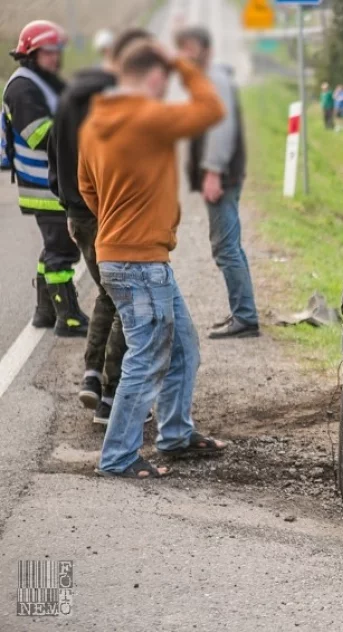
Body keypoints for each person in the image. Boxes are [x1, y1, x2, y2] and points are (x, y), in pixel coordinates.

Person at [77, 42, 226, 478]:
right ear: (155, 77)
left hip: (123, 256)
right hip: (141, 262)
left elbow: (88, 190)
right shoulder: (150, 116)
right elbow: (211, 108)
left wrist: (122, 216)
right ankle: (119, 456)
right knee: (146, 358)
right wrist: (182, 62)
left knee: (182, 347)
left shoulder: (93, 124)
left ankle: (176, 433)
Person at [48, 27, 152, 422]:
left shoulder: (67, 97)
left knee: (110, 294)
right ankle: (112, 395)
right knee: (130, 298)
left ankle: (92, 376)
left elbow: (52, 158)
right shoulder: (112, 101)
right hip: (106, 213)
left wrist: (68, 200)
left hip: (77, 215)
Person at [2, 20, 88, 337]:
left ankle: (44, 312)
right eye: (48, 52)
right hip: (43, 185)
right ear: (31, 53)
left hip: (54, 182)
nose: (55, 57)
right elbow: (39, 135)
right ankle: (69, 318)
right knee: (63, 251)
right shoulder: (22, 88)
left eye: (57, 51)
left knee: (54, 247)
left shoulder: (44, 80)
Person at [175, 26, 260, 339]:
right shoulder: (205, 79)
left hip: (221, 176)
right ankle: (243, 312)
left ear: (206, 49)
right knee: (229, 245)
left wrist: (212, 171)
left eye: (191, 47)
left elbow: (220, 127)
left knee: (226, 248)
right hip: (222, 174)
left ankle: (246, 318)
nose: (186, 54)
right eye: (182, 47)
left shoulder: (214, 79)